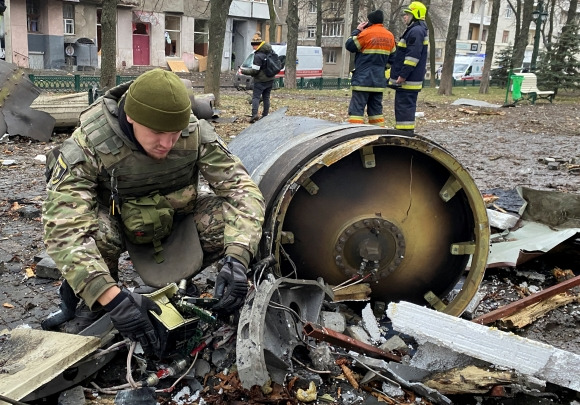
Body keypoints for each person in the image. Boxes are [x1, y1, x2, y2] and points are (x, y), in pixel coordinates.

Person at [42, 68, 266, 354]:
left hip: (174, 219)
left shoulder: (194, 133)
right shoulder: (90, 143)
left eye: (175, 133)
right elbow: (63, 227)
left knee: (231, 223)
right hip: (117, 225)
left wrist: (238, 258)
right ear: (132, 118)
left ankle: (180, 286)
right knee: (94, 232)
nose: (167, 144)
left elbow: (242, 191)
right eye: (158, 133)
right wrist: (110, 297)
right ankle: (93, 303)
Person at [345, 10, 396, 127]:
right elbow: (393, 59)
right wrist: (382, 68)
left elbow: (350, 45)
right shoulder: (390, 36)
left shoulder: (366, 33)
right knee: (376, 112)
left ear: (369, 21)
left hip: (362, 80)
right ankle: (378, 135)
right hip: (378, 81)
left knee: (357, 112)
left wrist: (357, 30)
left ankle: (356, 132)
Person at [388, 1, 428, 132]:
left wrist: (403, 75)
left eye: (407, 14)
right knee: (404, 107)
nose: (405, 16)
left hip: (408, 80)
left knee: (404, 107)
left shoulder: (416, 31)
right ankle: (404, 131)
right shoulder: (417, 30)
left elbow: (412, 57)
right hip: (411, 79)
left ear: (416, 15)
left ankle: (404, 133)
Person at [241, 32, 275, 123]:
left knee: (256, 97)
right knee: (266, 98)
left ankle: (254, 114)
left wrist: (243, 71)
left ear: (259, 45)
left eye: (255, 45)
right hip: (270, 79)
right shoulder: (270, 52)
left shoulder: (258, 56)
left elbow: (255, 71)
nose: (253, 47)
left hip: (260, 81)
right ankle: (265, 115)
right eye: (252, 44)